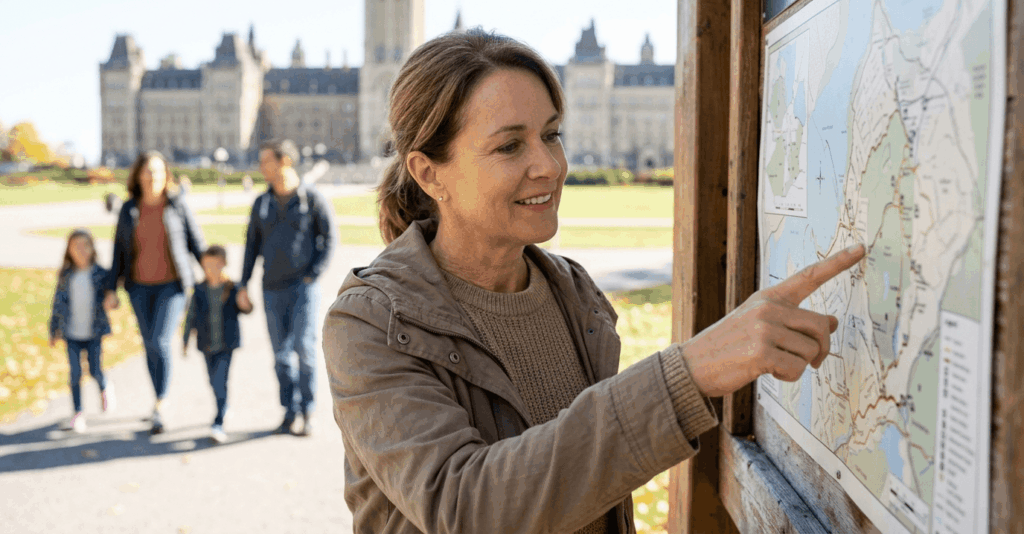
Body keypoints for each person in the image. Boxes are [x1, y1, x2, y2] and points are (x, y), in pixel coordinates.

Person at [322, 29, 867, 534]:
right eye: (510, 146)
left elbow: (586, 487)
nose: (550, 165)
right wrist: (687, 374)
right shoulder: (371, 323)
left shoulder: (572, 292)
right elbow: (467, 507)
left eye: (552, 135)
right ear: (428, 172)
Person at [239, 138, 338, 436]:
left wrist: (313, 273)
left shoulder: (313, 199)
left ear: (284, 162)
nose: (260, 167)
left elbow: (329, 239)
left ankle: (307, 411)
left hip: (303, 288)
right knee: (280, 355)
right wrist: (243, 284)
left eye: (265, 161)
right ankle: (288, 409)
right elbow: (250, 246)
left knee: (304, 349)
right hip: (271, 288)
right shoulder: (262, 202)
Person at [108, 150, 206, 435]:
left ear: (166, 176)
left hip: (172, 286)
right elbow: (118, 251)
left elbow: (195, 243)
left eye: (158, 172)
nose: (153, 178)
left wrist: (212, 273)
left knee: (160, 342)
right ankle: (157, 397)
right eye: (148, 172)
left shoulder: (177, 205)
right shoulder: (129, 209)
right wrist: (111, 288)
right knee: (149, 344)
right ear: (138, 175)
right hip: (138, 287)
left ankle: (160, 404)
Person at [49, 228, 118, 433]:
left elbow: (113, 298)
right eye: (75, 246)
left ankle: (105, 387)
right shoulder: (66, 276)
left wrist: (112, 301)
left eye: (84, 245)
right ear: (68, 250)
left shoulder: (100, 274)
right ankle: (77, 413)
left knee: (95, 369)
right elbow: (57, 304)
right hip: (71, 333)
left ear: (92, 248)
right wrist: (53, 330)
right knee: (75, 374)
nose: (80, 250)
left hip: (93, 332)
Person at [182, 245, 253, 444]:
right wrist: (185, 340)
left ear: (223, 264)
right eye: (206, 265)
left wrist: (247, 304)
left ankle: (218, 422)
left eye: (213, 265)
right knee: (213, 381)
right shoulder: (199, 288)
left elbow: (247, 308)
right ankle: (224, 405)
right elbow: (191, 316)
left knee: (220, 380)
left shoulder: (232, 287)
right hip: (206, 344)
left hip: (226, 344)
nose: (209, 269)